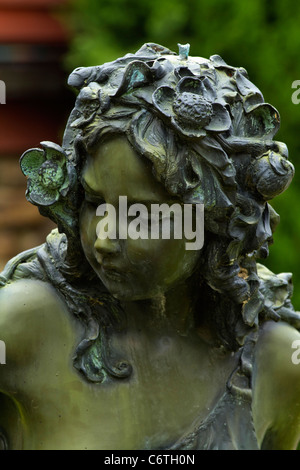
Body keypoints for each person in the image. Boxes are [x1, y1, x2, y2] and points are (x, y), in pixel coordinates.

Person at [0, 42, 299, 450]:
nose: (104, 239)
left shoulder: (276, 362)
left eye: (140, 214)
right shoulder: (22, 326)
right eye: (93, 201)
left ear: (212, 220)